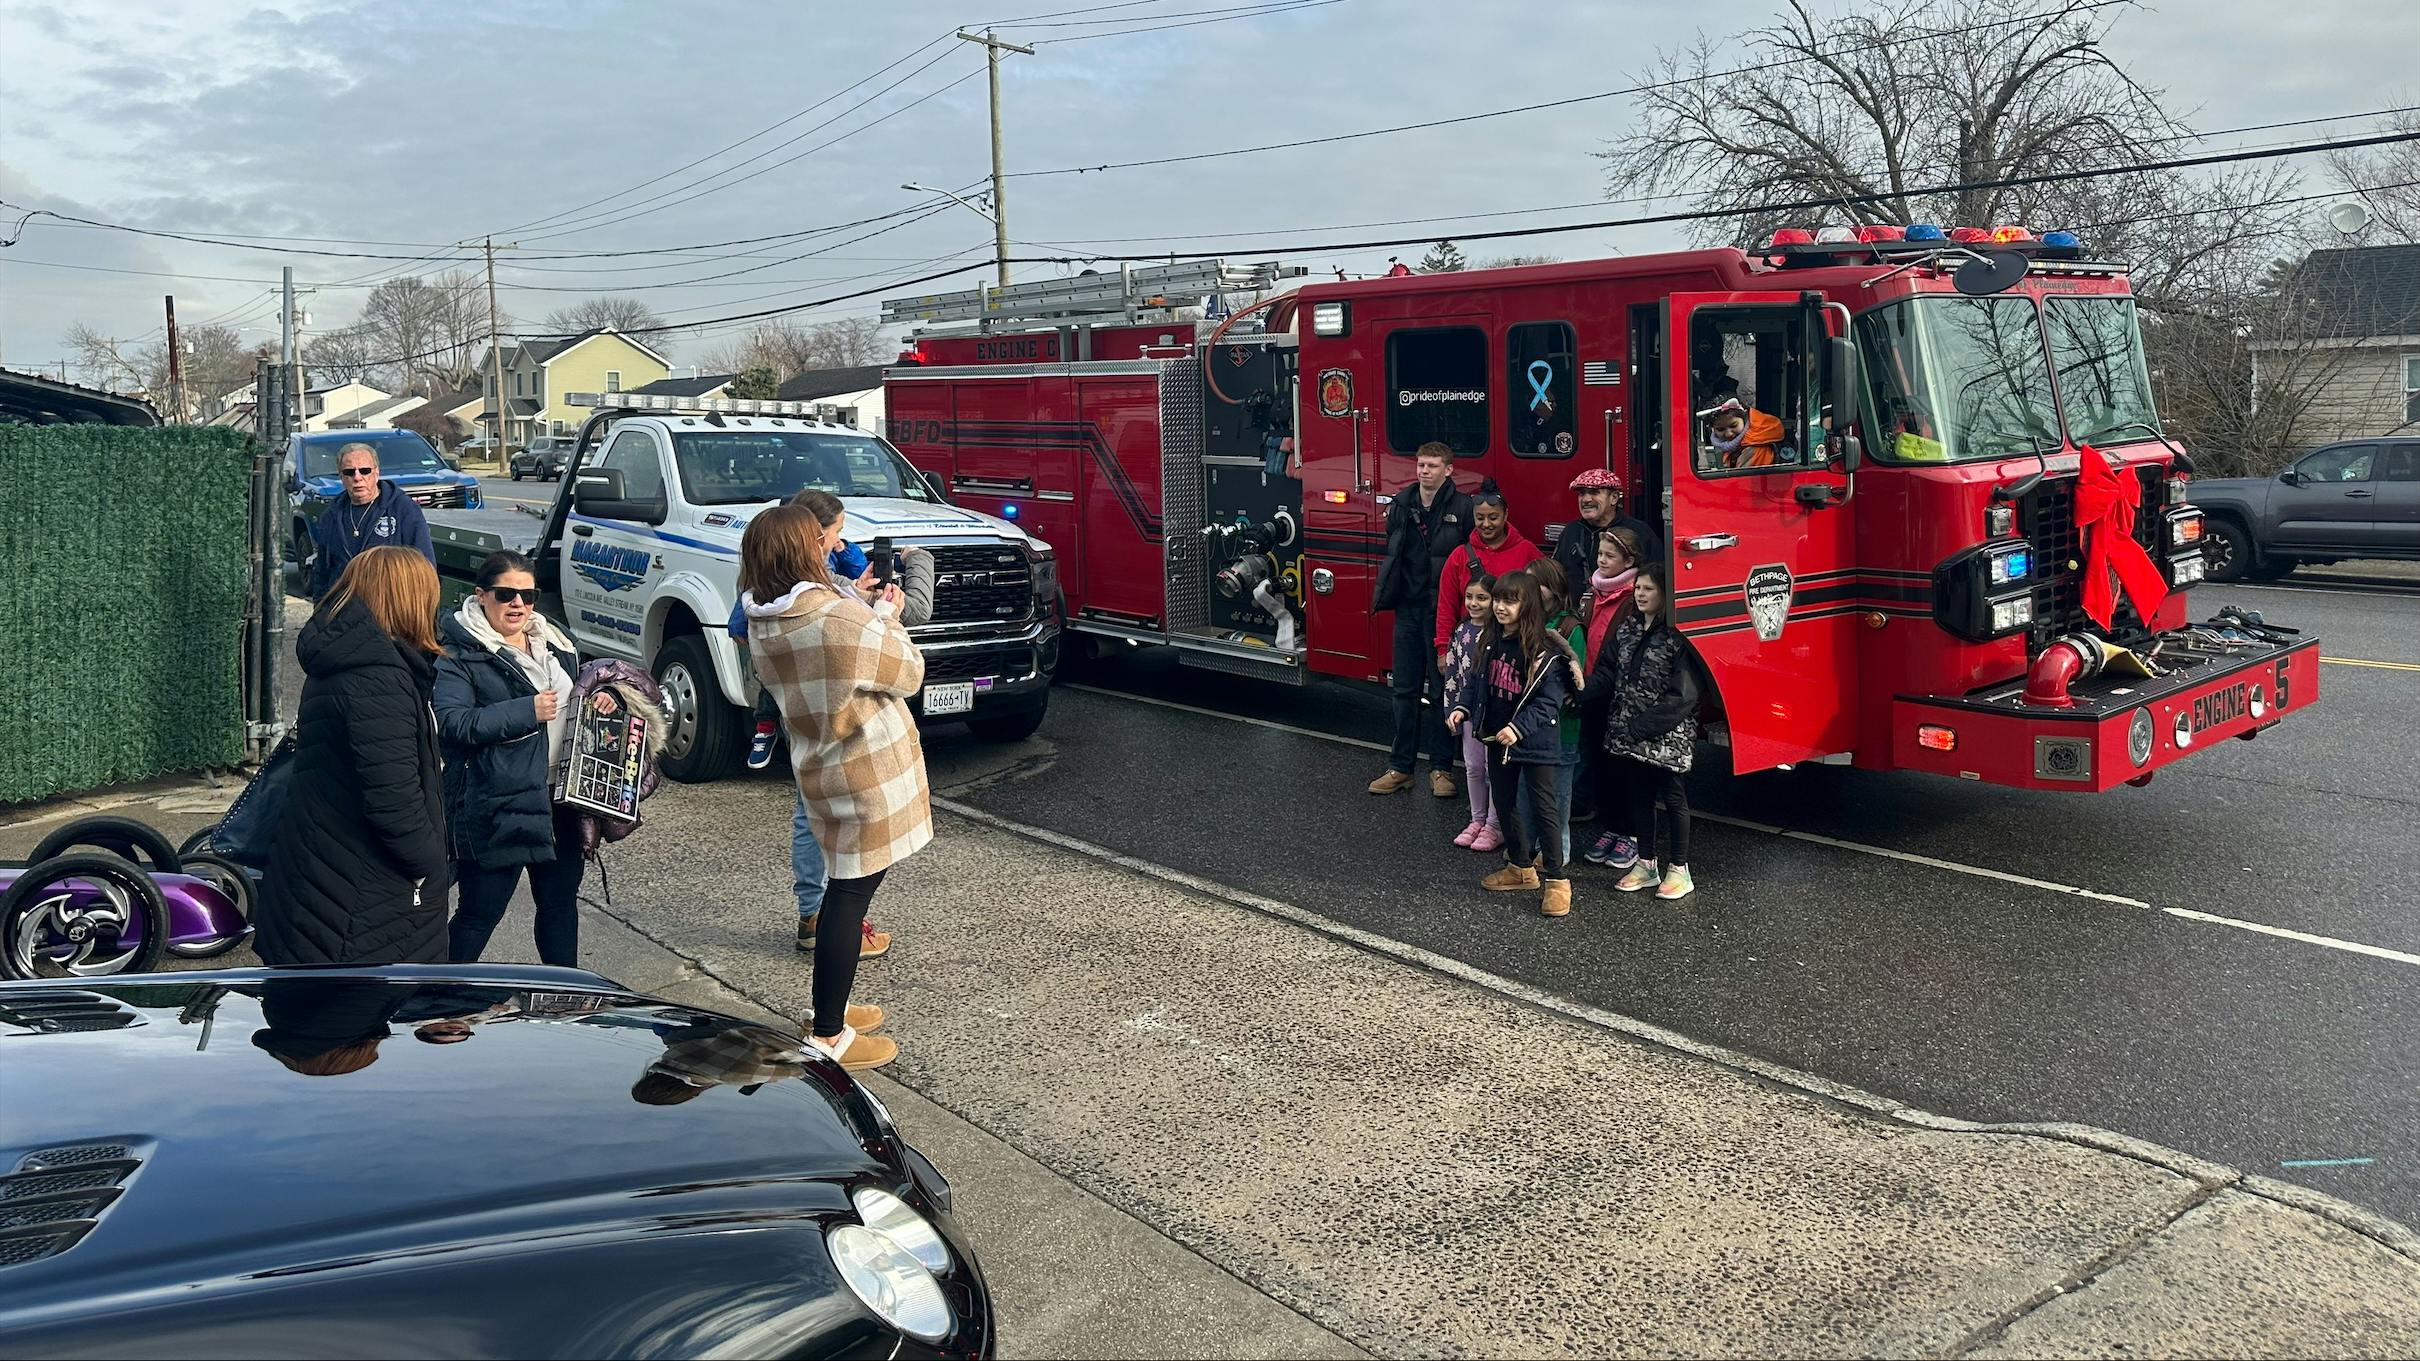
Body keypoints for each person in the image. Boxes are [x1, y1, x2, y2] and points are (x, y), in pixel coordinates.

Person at [742, 503, 934, 1073]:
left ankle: (834, 1006)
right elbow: (908, 670)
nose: (830, 546)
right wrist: (884, 615)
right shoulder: (837, 620)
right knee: (848, 899)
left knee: (841, 893)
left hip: (820, 764)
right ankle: (828, 1032)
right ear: (802, 552)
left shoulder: (764, 618)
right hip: (867, 773)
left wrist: (858, 604)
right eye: (821, 541)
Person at [259, 546, 450, 966]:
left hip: (322, 874)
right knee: (354, 1022)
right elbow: (393, 802)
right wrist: (431, 864)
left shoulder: (346, 660)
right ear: (408, 598)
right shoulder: (378, 678)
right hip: (361, 897)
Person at [435, 550, 605, 968]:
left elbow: (575, 696)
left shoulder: (555, 641)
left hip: (560, 798)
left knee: (560, 905)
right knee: (480, 913)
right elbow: (453, 724)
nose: (518, 605)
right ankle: (436, 996)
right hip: (499, 803)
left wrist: (599, 701)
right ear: (480, 595)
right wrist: (526, 711)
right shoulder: (460, 653)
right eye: (506, 594)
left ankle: (565, 997)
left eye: (528, 596)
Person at [1445, 570, 1577, 918]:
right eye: (1498, 600)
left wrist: (1518, 728)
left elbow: (1550, 702)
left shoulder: (1542, 649)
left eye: (1510, 600)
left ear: (1528, 604)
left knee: (1544, 810)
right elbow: (1476, 680)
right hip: (1495, 738)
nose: (1501, 607)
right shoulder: (1490, 640)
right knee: (1504, 803)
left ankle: (1557, 880)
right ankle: (1520, 868)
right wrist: (1462, 707)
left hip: (1535, 744)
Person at [1578, 563, 1700, 901]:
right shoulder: (1628, 628)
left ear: (1664, 593)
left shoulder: (1678, 636)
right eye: (1638, 589)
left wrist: (1644, 725)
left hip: (1666, 734)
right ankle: (1646, 863)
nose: (1640, 594)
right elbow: (1606, 672)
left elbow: (1685, 695)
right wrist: (1580, 692)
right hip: (1629, 732)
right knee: (1640, 798)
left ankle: (1680, 869)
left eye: (1648, 589)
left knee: (1674, 799)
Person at [1368, 441, 1474, 798]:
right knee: (1404, 691)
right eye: (1421, 465)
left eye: (1432, 465)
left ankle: (1442, 770)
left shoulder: (1463, 508)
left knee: (1444, 691)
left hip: (1442, 614)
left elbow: (1470, 558)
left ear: (1449, 470)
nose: (1425, 471)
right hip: (1408, 610)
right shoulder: (1402, 504)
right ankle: (1400, 768)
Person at [1577, 528, 1644, 868]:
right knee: (1600, 764)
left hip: (1617, 695)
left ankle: (1630, 834)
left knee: (1624, 768)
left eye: (1609, 556)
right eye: (1600, 554)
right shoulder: (1594, 592)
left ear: (1629, 562)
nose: (1601, 560)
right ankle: (1610, 826)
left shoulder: (1632, 599)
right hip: (1592, 689)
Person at [1519, 558, 1587, 867]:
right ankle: (1525, 847)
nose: (1533, 590)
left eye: (1539, 584)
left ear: (1556, 588)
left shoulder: (1569, 626)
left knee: (1557, 795)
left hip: (1562, 727)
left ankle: (1557, 852)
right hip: (1528, 724)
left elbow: (1575, 680)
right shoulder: (1525, 620)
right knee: (1526, 792)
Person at [1432, 488, 1545, 663]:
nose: (1486, 524)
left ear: (1506, 514)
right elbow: (1446, 606)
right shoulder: (1459, 556)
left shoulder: (1527, 551)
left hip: (1515, 646)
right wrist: (1442, 649)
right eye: (1480, 518)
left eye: (1493, 517)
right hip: (1470, 647)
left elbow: (1544, 597)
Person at [308, 441, 433, 599]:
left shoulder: (404, 510)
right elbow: (322, 573)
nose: (357, 477)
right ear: (341, 477)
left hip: (388, 608)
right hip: (343, 611)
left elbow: (425, 567)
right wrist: (320, 610)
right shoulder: (331, 516)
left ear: (377, 473)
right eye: (349, 472)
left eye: (365, 471)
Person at [1440, 571, 1500, 852]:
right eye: (1469, 597)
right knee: (1474, 768)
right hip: (1467, 714)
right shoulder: (1461, 631)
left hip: (1491, 714)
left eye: (1482, 598)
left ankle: (1494, 825)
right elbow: (1452, 672)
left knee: (1492, 770)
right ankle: (1476, 820)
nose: (1474, 603)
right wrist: (1452, 709)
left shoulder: (1498, 634)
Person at [1699, 399, 1790, 471]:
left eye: (1733, 425)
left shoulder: (1755, 447)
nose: (1728, 433)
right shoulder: (1737, 444)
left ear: (1745, 419)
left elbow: (1743, 482)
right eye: (1720, 429)